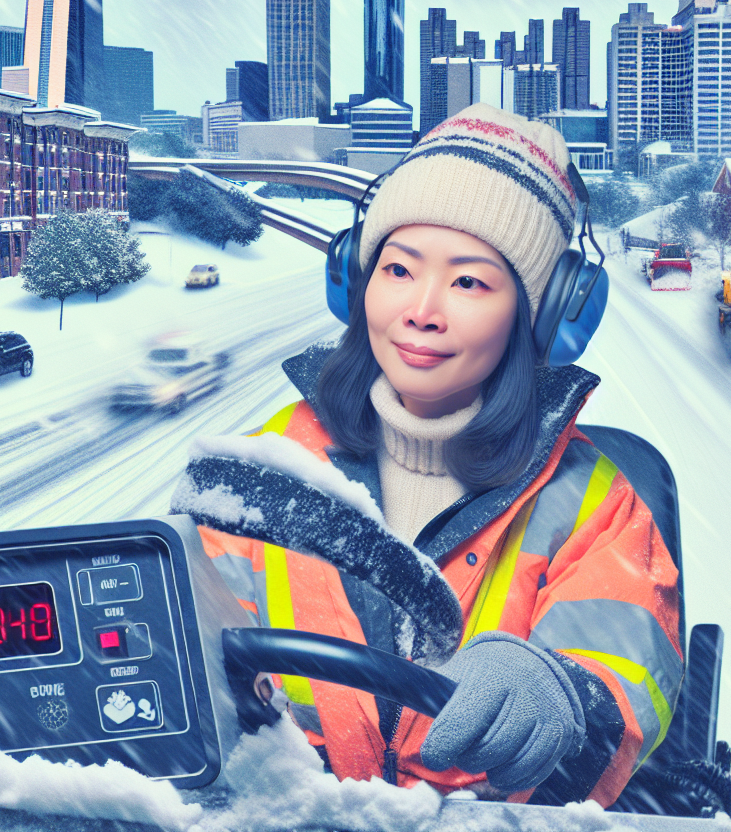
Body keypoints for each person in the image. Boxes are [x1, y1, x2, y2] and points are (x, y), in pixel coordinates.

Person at [173, 103, 683, 807]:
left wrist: (563, 692)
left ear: (541, 317)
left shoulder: (595, 502)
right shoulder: (266, 473)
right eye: (398, 270)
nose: (422, 309)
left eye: (469, 282)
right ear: (355, 281)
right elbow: (176, 653)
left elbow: (628, 679)